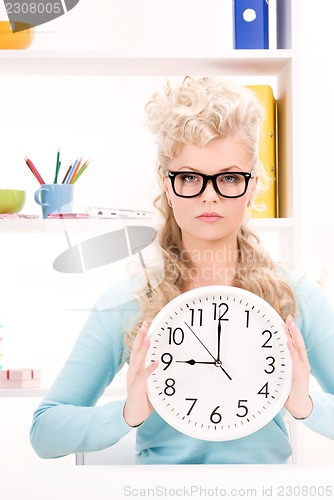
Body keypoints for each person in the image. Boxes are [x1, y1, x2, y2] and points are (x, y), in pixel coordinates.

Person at [30, 77, 334, 464]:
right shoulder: (129, 303)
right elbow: (45, 432)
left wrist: (306, 404)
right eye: (189, 177)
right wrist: (128, 412)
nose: (210, 195)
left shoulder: (296, 298)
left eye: (228, 178)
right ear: (166, 184)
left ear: (253, 185)